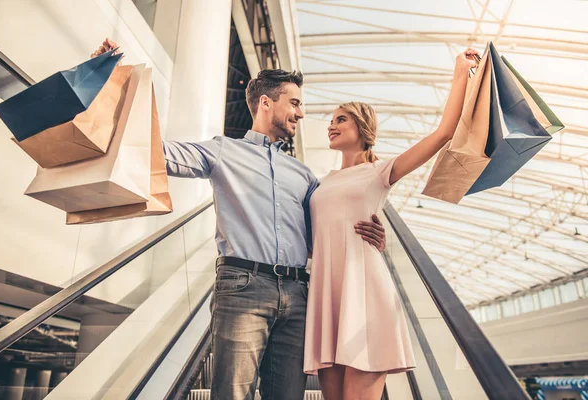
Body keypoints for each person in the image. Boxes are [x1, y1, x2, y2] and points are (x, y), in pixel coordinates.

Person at [91, 39, 387, 400]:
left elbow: (325, 233)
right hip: (242, 287)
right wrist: (108, 85)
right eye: (294, 103)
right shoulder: (222, 152)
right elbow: (154, 151)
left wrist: (371, 236)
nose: (301, 113)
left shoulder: (305, 176)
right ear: (266, 102)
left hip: (298, 294)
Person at [304, 48, 481, 400]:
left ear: (362, 127)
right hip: (327, 297)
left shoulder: (380, 171)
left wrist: (460, 71)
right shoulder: (319, 182)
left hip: (366, 294)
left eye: (341, 119)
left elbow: (444, 132)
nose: (331, 125)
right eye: (332, 120)